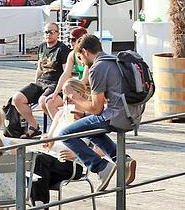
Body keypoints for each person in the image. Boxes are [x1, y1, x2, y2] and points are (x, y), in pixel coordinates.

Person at [58, 34, 137, 191]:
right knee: (89, 129)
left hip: (118, 116)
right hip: (133, 114)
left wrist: (74, 96)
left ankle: (101, 167)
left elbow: (96, 108)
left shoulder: (97, 68)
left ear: (85, 52)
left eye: (80, 57)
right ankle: (122, 160)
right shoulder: (113, 60)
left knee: (65, 134)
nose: (81, 62)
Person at [11, 22, 71, 137]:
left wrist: (61, 90)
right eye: (46, 32)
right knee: (17, 98)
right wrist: (35, 83)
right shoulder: (42, 46)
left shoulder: (62, 49)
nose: (48, 34)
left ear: (58, 34)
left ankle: (58, 130)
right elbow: (39, 68)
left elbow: (66, 73)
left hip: (54, 83)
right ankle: (34, 126)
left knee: (43, 101)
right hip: (41, 83)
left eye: (52, 32)